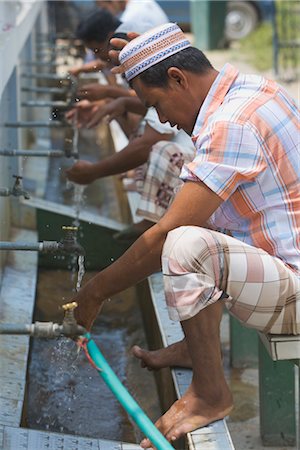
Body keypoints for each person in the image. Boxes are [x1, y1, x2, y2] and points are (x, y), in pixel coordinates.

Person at [72, 23, 300, 446]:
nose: (159, 117)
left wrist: (96, 291)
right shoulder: (247, 88)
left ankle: (211, 393)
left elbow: (166, 235)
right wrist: (150, 50)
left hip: (294, 292)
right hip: (278, 264)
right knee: (176, 170)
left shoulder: (231, 123)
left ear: (177, 77)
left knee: (182, 243)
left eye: (156, 102)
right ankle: (194, 347)